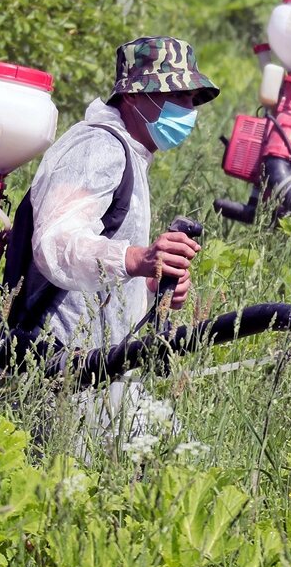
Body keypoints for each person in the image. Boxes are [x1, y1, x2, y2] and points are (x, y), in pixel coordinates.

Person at [15, 35, 218, 351]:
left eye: (192, 98)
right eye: (177, 95)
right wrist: (140, 258)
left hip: (97, 367)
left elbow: (107, 277)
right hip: (58, 362)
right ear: (134, 96)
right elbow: (57, 243)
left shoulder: (131, 154)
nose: (188, 109)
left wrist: (152, 285)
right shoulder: (100, 147)